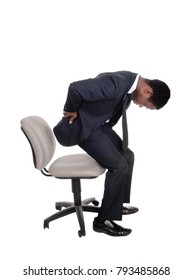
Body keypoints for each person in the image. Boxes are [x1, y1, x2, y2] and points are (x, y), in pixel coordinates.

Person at [62, 71, 170, 237]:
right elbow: (76, 88)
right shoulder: (117, 83)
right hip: (85, 129)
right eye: (145, 104)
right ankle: (102, 221)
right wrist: (71, 110)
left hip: (99, 126)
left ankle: (116, 204)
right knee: (119, 166)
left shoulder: (129, 82)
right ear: (147, 91)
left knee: (128, 156)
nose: (140, 106)